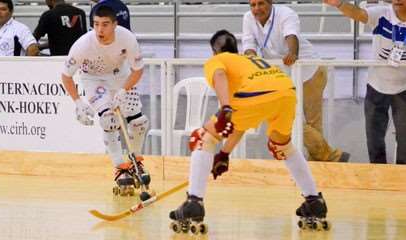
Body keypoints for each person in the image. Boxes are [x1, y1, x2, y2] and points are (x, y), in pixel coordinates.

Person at [169, 30, 329, 230]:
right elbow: (242, 122)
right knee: (282, 146)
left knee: (202, 138)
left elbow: (219, 76)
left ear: (214, 52)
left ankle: (194, 201)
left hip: (254, 94)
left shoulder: (217, 61)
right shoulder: (249, 62)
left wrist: (225, 107)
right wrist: (224, 153)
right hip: (286, 91)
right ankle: (314, 201)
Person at [241, 0, 349, 162]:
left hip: (310, 72)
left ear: (271, 3)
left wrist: (293, 52)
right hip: (285, 76)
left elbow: (291, 35)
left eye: (261, 4)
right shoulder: (248, 18)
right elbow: (248, 44)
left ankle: (318, 164)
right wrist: (251, 59)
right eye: (253, 5)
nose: (256, 9)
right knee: (289, 118)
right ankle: (331, 156)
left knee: (312, 122)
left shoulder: (286, 14)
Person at [61, 6, 151, 194]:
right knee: (109, 121)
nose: (100, 30)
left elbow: (138, 70)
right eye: (96, 24)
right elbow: (66, 75)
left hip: (121, 77)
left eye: (105, 24)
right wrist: (78, 103)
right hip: (95, 80)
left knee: (139, 123)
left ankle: (135, 161)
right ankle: (120, 168)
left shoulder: (127, 38)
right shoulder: (83, 45)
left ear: (115, 25)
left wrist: (124, 90)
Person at [324, 0, 406, 164]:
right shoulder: (382, 13)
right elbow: (359, 14)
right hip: (376, 86)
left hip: (404, 88)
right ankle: (377, 173)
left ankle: (401, 176)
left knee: (404, 138)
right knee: (374, 138)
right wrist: (339, 4)